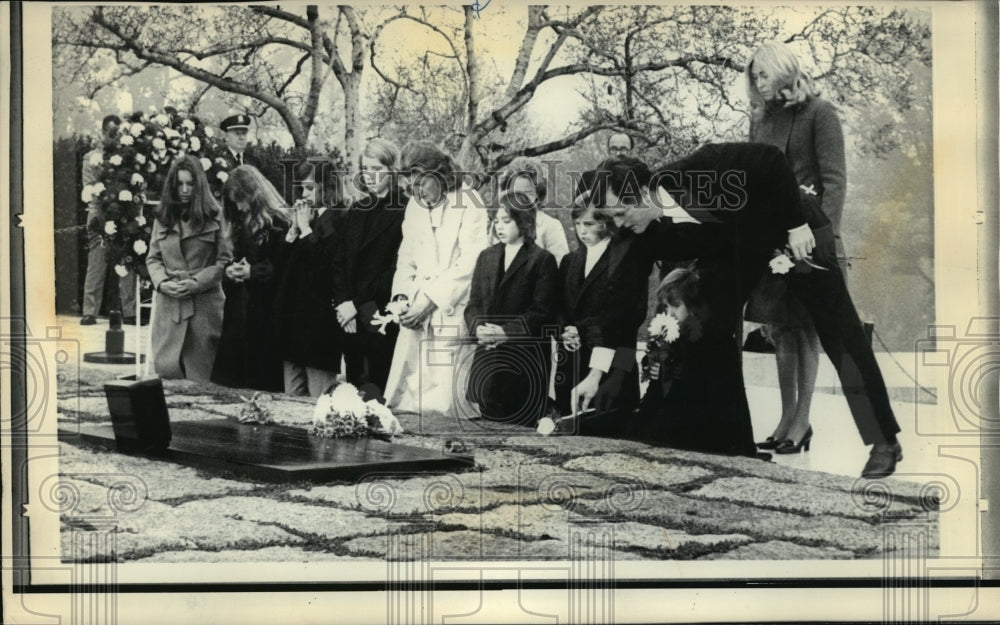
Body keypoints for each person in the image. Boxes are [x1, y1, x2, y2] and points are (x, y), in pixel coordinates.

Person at [592, 150, 903, 478]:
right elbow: (622, 300)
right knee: (708, 322)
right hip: (739, 245)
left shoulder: (702, 168)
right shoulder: (638, 231)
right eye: (612, 217)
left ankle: (883, 441)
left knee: (839, 333)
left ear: (642, 192)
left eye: (622, 212)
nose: (619, 223)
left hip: (793, 226)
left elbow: (770, 159)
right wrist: (598, 370)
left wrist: (797, 225)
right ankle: (730, 443)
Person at [744, 41, 849, 455]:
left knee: (805, 331)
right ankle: (786, 419)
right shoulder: (760, 118)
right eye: (753, 77)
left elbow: (835, 181)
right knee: (780, 331)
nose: (757, 83)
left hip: (811, 241)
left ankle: (802, 422)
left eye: (763, 74)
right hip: (772, 240)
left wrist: (822, 238)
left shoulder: (820, 113)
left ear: (782, 70)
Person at [383, 142, 489, 420]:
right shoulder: (414, 208)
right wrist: (402, 301)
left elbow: (470, 262)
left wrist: (430, 301)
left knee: (447, 405)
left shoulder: (469, 202)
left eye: (421, 183)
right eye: (409, 187)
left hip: (451, 312)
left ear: (439, 174)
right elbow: (406, 259)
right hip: (415, 316)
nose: (416, 192)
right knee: (406, 402)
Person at [636, 267, 757, 457]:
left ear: (693, 304)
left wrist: (668, 369)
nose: (670, 313)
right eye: (666, 307)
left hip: (703, 423)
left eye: (675, 306)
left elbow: (698, 388)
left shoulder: (712, 339)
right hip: (677, 410)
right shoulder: (671, 331)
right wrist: (653, 365)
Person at [553, 199, 649, 435]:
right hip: (573, 362)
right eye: (577, 224)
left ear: (605, 223)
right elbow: (556, 307)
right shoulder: (569, 261)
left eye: (589, 224)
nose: (582, 231)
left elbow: (628, 315)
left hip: (613, 365)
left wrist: (580, 329)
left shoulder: (625, 258)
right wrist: (563, 330)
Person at [464, 192, 559, 425]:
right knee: (488, 421)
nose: (499, 226)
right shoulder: (486, 256)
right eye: (496, 221)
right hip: (489, 357)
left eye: (507, 221)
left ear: (523, 221)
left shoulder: (541, 259)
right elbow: (473, 304)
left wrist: (506, 332)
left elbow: (542, 310)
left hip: (524, 360)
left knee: (521, 426)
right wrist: (478, 329)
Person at [330, 138, 407, 394]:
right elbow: (338, 259)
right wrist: (343, 302)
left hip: (380, 312)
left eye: (377, 169)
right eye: (366, 169)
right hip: (349, 315)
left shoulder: (405, 209)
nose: (371, 176)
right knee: (351, 389)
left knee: (377, 390)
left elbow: (395, 268)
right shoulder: (358, 209)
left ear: (392, 170)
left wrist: (356, 303)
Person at [146, 155, 233, 382]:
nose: (185, 190)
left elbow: (225, 261)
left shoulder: (216, 216)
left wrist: (197, 283)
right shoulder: (162, 218)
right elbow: (153, 259)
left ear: (199, 185)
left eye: (190, 184)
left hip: (204, 310)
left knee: (203, 382)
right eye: (180, 184)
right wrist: (163, 283)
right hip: (170, 309)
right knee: (167, 376)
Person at [210, 165, 290, 392]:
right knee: (231, 387)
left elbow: (284, 269)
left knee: (262, 386)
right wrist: (230, 272)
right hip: (238, 316)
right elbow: (229, 261)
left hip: (266, 318)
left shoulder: (279, 223)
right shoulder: (237, 223)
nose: (239, 206)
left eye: (242, 200)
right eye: (234, 202)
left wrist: (251, 273)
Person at [273, 161, 344, 397]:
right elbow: (283, 270)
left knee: (320, 401)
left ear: (328, 187)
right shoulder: (308, 219)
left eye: (311, 188)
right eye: (302, 189)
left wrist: (306, 230)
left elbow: (325, 269)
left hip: (318, 330)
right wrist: (293, 232)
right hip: (293, 328)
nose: (304, 195)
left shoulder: (339, 218)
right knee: (291, 399)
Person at [80, 114, 137, 325]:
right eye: (112, 133)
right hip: (99, 214)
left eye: (119, 134)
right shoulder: (90, 158)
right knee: (96, 263)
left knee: (126, 261)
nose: (115, 138)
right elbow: (90, 188)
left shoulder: (128, 157)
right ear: (103, 133)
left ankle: (129, 310)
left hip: (123, 213)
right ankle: (90, 310)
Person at [496, 157, 570, 264]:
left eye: (528, 193)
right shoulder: (499, 224)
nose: (522, 200)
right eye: (516, 193)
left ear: (538, 194)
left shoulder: (550, 225)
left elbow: (561, 268)